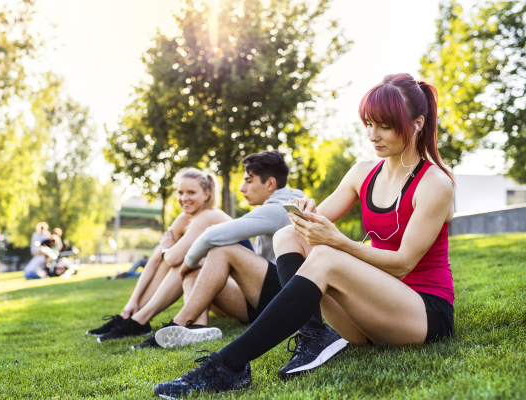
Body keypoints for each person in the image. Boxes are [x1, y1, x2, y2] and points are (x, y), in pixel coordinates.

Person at [153, 74, 456, 398]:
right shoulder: (363, 172)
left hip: (421, 314)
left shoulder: (435, 183)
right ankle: (314, 335)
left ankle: (227, 366)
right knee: (288, 234)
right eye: (368, 123)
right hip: (369, 312)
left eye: (383, 126)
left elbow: (402, 264)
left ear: (416, 123)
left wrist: (339, 241)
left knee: (327, 256)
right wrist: (306, 210)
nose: (372, 135)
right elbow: (311, 224)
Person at [152, 151, 304, 349]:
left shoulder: (279, 209)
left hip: (284, 298)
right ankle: (196, 327)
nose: (242, 188)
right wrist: (191, 266)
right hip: (261, 300)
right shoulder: (281, 205)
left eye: (249, 181)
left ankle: (178, 322)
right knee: (196, 270)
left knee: (223, 250)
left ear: (270, 184)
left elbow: (211, 235)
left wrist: (185, 265)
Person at [86, 168, 241, 346]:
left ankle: (139, 320)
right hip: (215, 294)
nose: (184, 198)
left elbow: (174, 258)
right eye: (181, 192)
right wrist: (133, 300)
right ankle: (130, 316)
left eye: (191, 192)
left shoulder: (209, 215)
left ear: (206, 194)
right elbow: (155, 260)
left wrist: (168, 248)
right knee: (171, 259)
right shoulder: (185, 218)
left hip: (239, 297)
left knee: (184, 261)